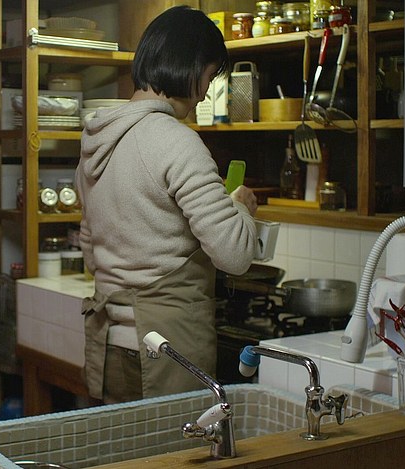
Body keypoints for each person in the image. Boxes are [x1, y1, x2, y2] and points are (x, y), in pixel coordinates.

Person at [74, 5, 260, 404]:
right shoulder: (176, 142)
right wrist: (242, 208)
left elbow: (90, 250)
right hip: (165, 351)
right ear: (188, 67)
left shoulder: (96, 143)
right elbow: (234, 255)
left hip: (109, 347)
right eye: (209, 76)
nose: (205, 92)